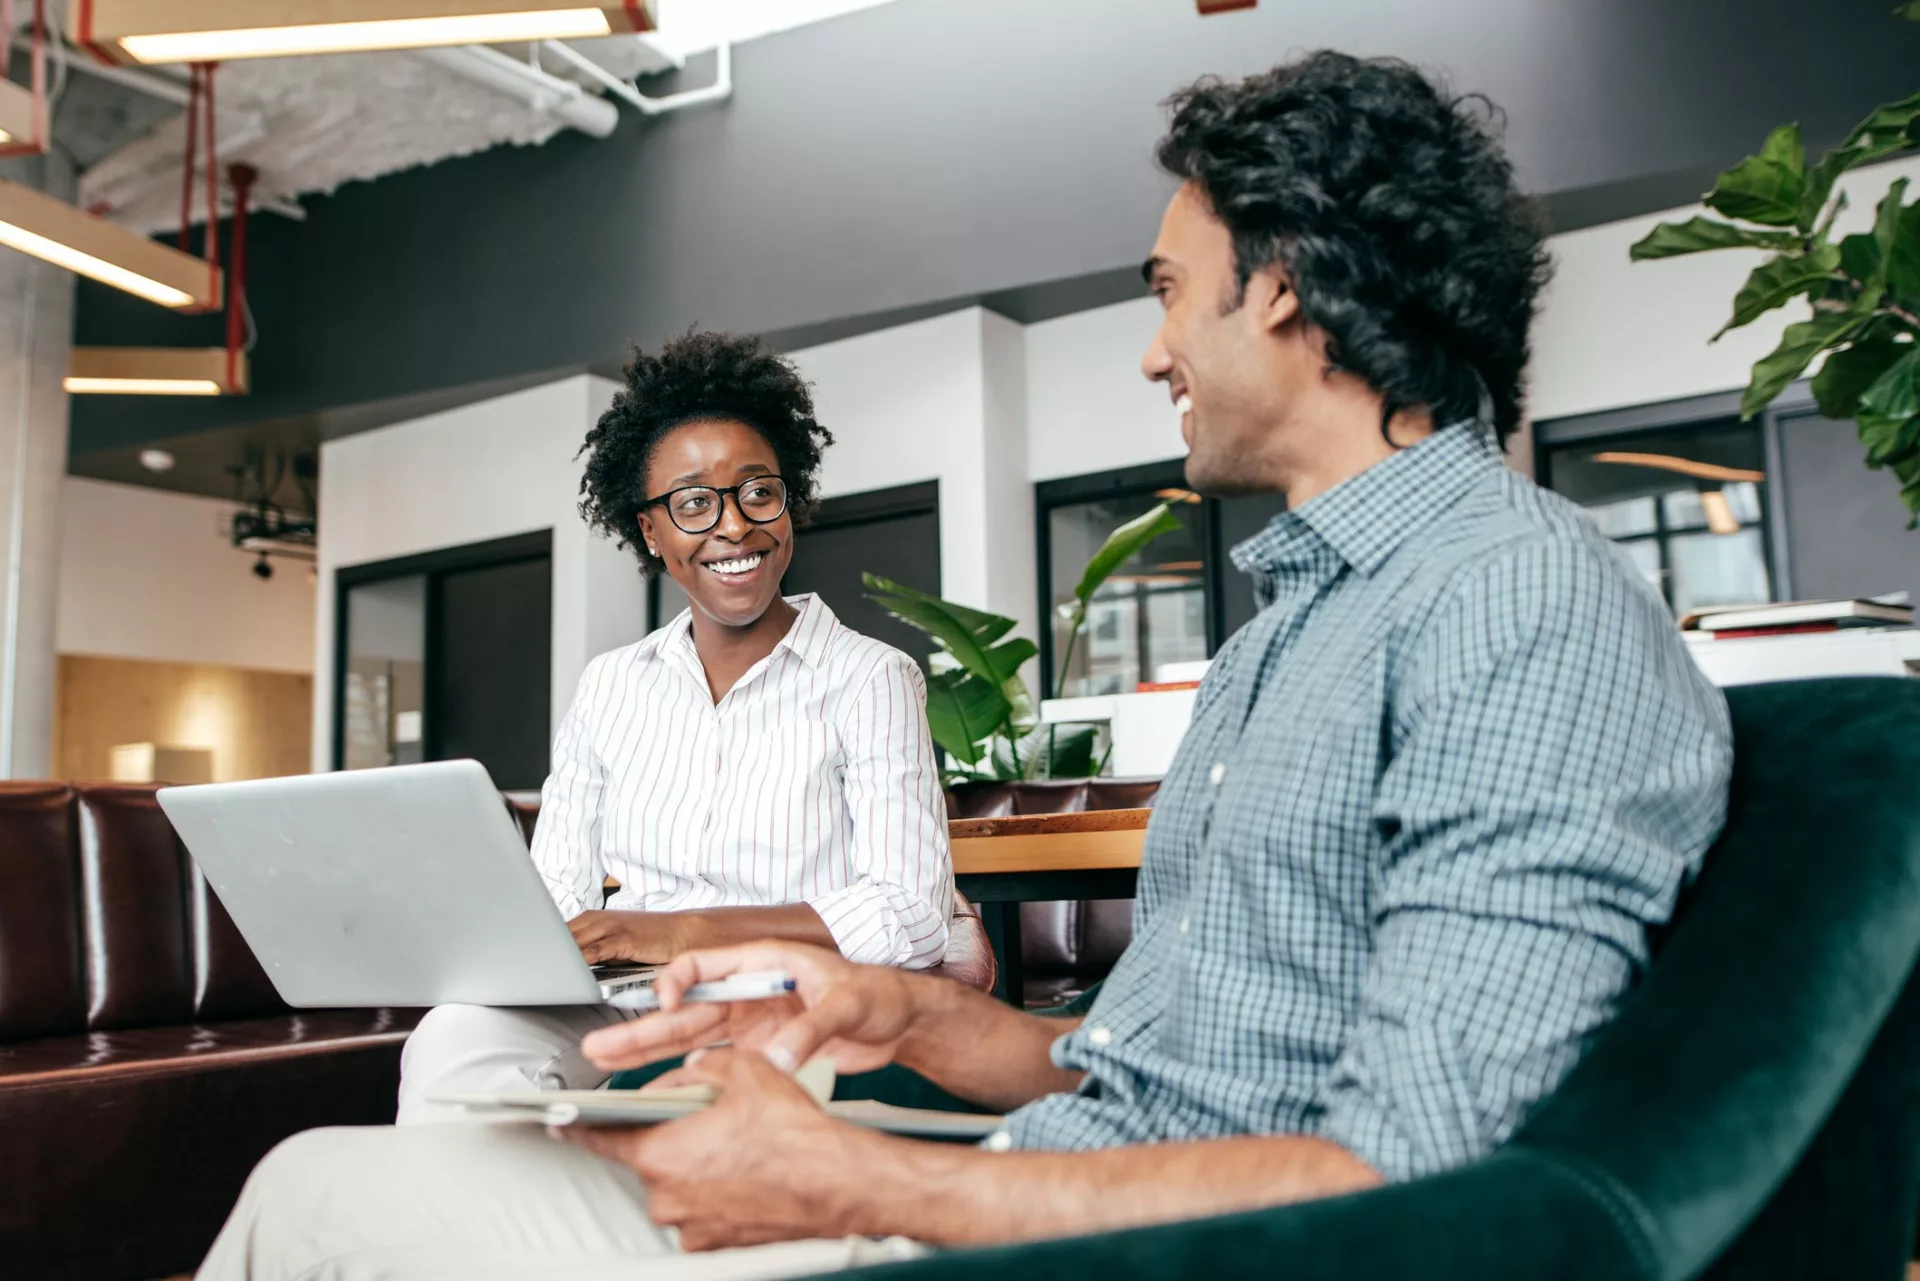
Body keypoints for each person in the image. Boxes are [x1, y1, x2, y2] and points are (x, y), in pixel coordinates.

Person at [198, 51, 1733, 1279]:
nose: (1153, 351)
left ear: (1279, 290)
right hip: (1017, 1191)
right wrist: (902, 1017)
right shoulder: (1303, 631)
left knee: (312, 1198)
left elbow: (1416, 1174)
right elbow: (1152, 1064)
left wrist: (868, 1177)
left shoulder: (1517, 607)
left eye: (1162, 290)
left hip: (1043, 1239)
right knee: (351, 1167)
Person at [394, 331, 954, 1123]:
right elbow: (558, 890)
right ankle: (489, 1238)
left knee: (679, 1092)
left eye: (758, 492)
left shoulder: (870, 677)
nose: (733, 526)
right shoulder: (612, 684)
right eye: (693, 503)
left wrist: (679, 931)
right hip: (622, 998)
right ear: (651, 532)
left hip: (782, 1001)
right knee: (455, 1043)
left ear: (789, 499)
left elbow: (909, 914)